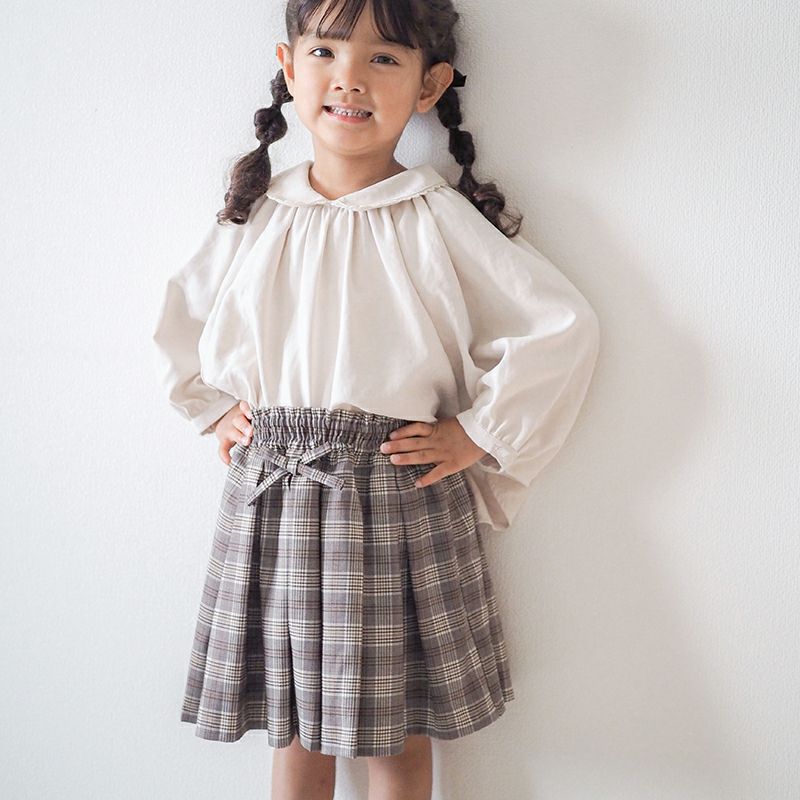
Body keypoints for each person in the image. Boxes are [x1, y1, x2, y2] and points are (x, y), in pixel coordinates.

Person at [151, 0, 600, 797]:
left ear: (430, 85)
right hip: (277, 496)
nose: (349, 78)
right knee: (295, 726)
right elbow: (179, 319)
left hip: (397, 492)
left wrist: (479, 432)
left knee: (398, 731)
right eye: (325, 52)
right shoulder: (257, 214)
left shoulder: (437, 216)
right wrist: (211, 406)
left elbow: (560, 326)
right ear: (290, 67)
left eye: (383, 58)